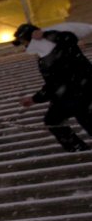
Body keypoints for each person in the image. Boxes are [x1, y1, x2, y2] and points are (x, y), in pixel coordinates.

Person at [13, 22, 92, 152]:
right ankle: (77, 147)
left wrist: (45, 34)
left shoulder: (62, 47)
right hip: (67, 95)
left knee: (86, 119)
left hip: (81, 90)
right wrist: (35, 98)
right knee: (52, 119)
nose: (24, 46)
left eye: (23, 41)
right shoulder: (44, 58)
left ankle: (77, 148)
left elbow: (69, 37)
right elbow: (53, 84)